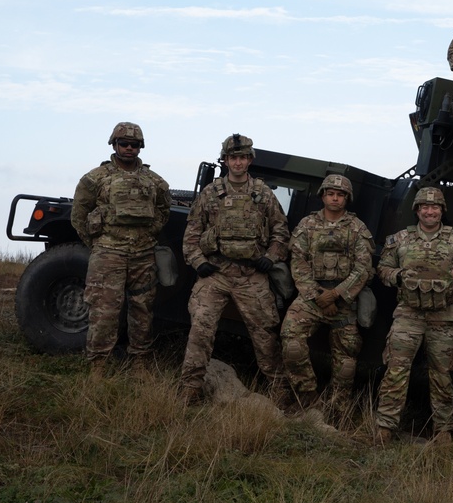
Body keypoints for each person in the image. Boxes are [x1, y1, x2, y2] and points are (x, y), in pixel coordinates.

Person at [179, 134, 290, 405]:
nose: (238, 162)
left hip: (251, 276)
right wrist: (199, 262)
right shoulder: (211, 194)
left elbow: (281, 233)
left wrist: (271, 257)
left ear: (249, 160)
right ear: (225, 160)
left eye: (242, 157)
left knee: (265, 334)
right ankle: (189, 388)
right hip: (216, 274)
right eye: (233, 157)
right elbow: (191, 236)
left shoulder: (263, 194)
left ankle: (281, 390)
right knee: (200, 329)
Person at [374, 187, 453, 445]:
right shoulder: (400, 239)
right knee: (396, 371)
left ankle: (444, 430)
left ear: (442, 211)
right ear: (417, 210)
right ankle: (385, 426)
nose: (430, 211)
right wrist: (397, 276)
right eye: (424, 206)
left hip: (443, 317)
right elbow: (383, 268)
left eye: (435, 207)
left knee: (442, 374)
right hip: (408, 315)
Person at [71, 122, 171, 375]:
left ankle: (139, 362)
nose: (129, 148)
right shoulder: (95, 178)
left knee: (143, 310)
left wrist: (149, 234)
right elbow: (79, 214)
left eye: (134, 144)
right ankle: (98, 365)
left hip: (143, 253)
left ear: (140, 147)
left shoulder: (154, 181)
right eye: (123, 143)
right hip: (108, 253)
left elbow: (163, 210)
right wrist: (96, 245)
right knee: (104, 311)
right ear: (114, 145)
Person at [280, 174, 375, 414]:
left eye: (340, 194)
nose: (335, 198)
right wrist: (317, 295)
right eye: (331, 193)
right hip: (312, 298)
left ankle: (337, 409)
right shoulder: (307, 225)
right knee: (291, 340)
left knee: (346, 360)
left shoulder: (357, 228)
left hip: (343, 300)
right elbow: (298, 262)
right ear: (323, 196)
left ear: (347, 198)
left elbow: (363, 268)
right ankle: (307, 396)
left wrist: (336, 295)